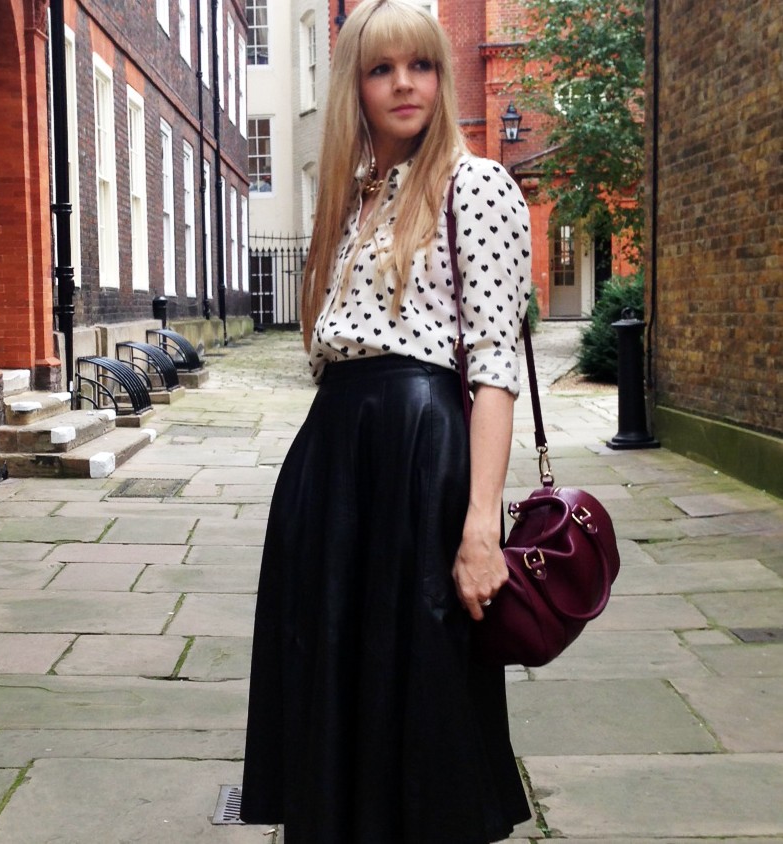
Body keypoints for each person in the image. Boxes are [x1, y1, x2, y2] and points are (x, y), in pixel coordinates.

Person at [240, 1, 532, 841]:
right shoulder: (354, 199)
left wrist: (481, 527)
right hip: (332, 458)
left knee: (423, 679)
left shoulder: (475, 186)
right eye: (381, 69)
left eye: (421, 65)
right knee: (331, 663)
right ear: (355, 89)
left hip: (417, 454)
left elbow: (496, 368)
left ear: (441, 77)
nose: (405, 84)